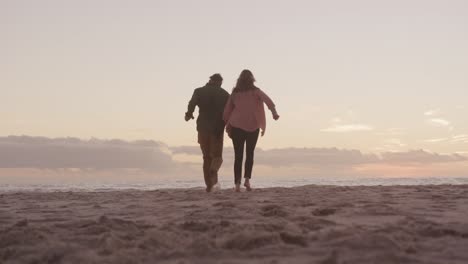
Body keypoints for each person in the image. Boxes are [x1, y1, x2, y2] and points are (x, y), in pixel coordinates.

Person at [223, 69, 279, 192]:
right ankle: (247, 180)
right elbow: (268, 101)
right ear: (252, 79)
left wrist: (226, 124)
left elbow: (227, 110)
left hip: (237, 126)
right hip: (253, 126)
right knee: (250, 153)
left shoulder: (235, 93)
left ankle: (237, 184)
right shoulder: (256, 91)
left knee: (238, 155)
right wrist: (274, 113)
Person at [185, 73, 230, 192]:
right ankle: (214, 171)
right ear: (220, 82)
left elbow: (192, 103)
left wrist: (189, 114)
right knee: (217, 157)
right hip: (217, 129)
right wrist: (230, 125)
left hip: (202, 127)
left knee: (206, 158)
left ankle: (209, 186)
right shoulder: (224, 94)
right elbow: (230, 110)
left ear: (210, 80)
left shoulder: (199, 91)